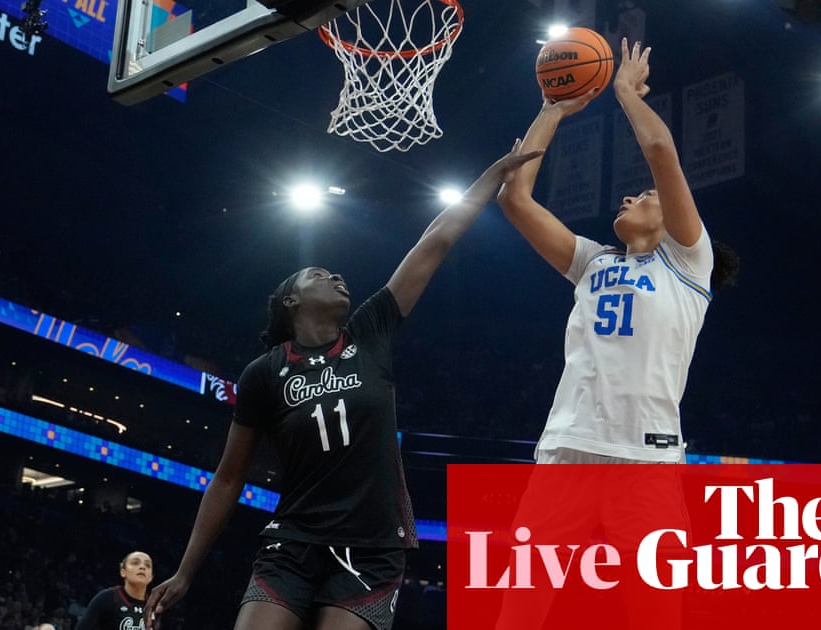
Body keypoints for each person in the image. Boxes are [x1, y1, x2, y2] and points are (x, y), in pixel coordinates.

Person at [144, 141, 543, 630]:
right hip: (293, 541)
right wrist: (186, 571)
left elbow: (434, 241)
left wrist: (493, 173)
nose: (336, 275)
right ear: (290, 301)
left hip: (372, 547)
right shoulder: (265, 372)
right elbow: (228, 478)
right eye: (319, 273)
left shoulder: (370, 331)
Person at [497, 38, 735, 466]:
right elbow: (514, 197)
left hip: (647, 453)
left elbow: (661, 153)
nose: (629, 197)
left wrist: (624, 91)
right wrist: (551, 111)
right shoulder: (594, 261)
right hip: (568, 443)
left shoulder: (687, 263)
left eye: (645, 194)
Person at [76, 551, 153, 630]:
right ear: (123, 572)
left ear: (151, 577)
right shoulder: (107, 598)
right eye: (135, 563)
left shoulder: (156, 606)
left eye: (147, 565)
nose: (142, 567)